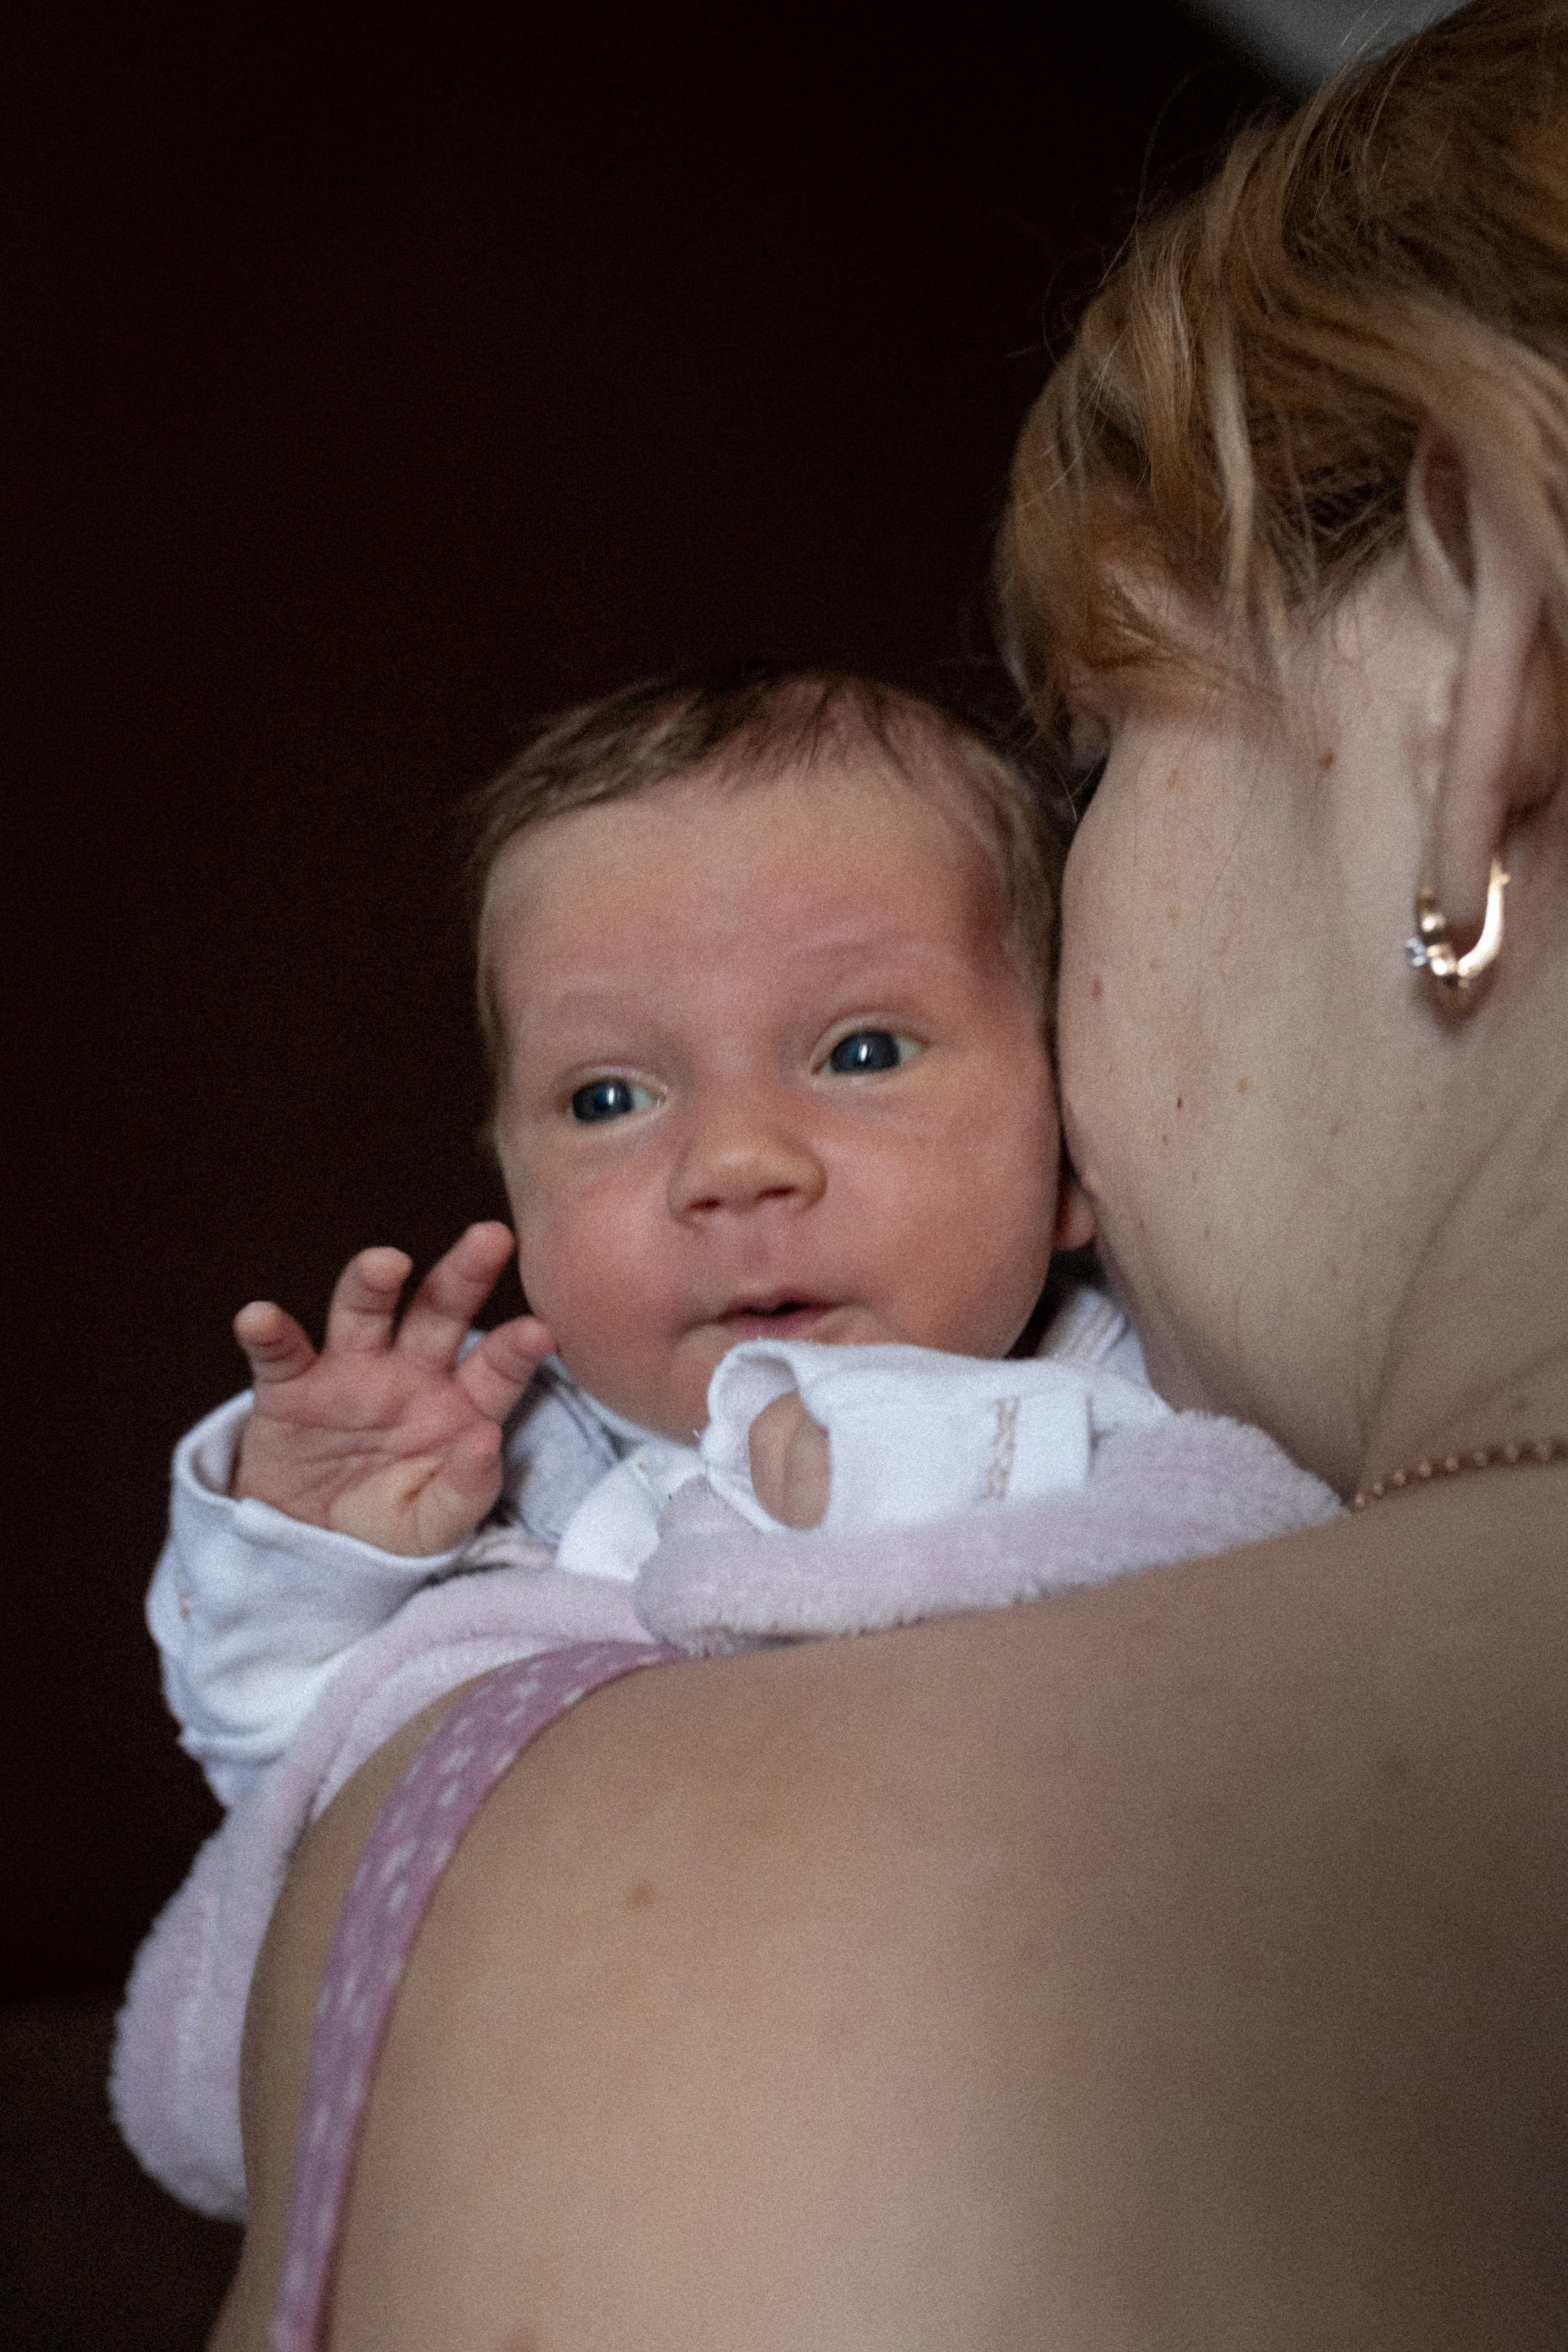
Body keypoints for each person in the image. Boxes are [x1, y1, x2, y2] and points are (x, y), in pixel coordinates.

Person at [213, 1, 1567, 2340]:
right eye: (613, 1097)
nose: (745, 1163)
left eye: (1107, 743)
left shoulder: (730, 1893)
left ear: (1477, 681)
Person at [112, 666, 1331, 2241]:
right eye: (608, 1096)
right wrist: (332, 1553)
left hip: (1006, 2149)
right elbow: (287, 1767)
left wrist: (880, 1503)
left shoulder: (1138, 1409)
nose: (731, 1163)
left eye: (862, 1052)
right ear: (507, 1171)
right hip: (569, 2172)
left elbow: (1254, 1720)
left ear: (1071, 1132)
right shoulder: (536, 1473)